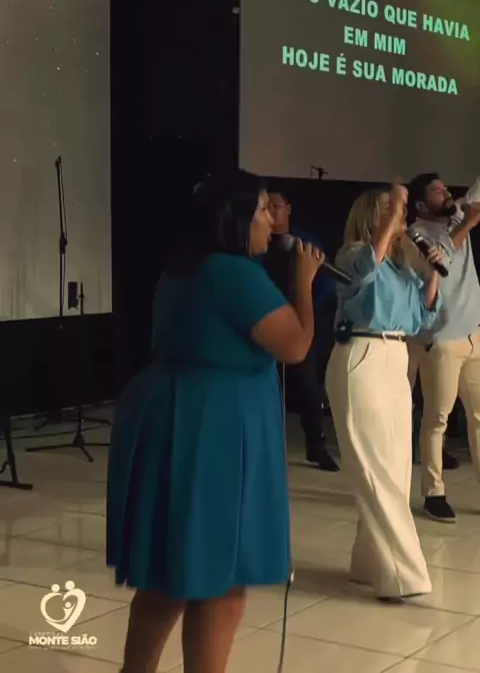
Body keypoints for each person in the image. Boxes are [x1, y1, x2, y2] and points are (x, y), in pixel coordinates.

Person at [106, 171, 323, 673]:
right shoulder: (234, 273)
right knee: (219, 578)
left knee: (172, 570)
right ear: (235, 218)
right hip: (214, 428)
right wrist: (304, 281)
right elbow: (295, 345)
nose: (272, 221)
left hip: (179, 413)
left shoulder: (185, 267)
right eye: (263, 210)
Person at [325, 184, 442, 600]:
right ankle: (405, 577)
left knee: (395, 468)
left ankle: (368, 563)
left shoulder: (401, 264)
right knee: (377, 469)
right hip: (362, 355)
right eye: (392, 209)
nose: (402, 215)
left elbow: (422, 317)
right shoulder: (352, 254)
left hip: (396, 357)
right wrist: (392, 219)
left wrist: (431, 274)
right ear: (373, 216)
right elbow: (364, 270)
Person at [408, 172, 480, 523]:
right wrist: (467, 224)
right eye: (437, 192)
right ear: (421, 205)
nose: (446, 193)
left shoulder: (457, 215)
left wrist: (466, 217)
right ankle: (433, 492)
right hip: (441, 340)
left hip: (475, 335)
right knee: (437, 418)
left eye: (445, 188)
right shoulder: (415, 234)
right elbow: (441, 262)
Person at [265, 191, 339, 472]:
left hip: (299, 324)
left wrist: (304, 309)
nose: (271, 211)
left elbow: (326, 284)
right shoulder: (256, 243)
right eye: (266, 206)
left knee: (309, 387)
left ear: (288, 208)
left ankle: (316, 445)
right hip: (265, 324)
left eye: (276, 205)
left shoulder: (304, 243)